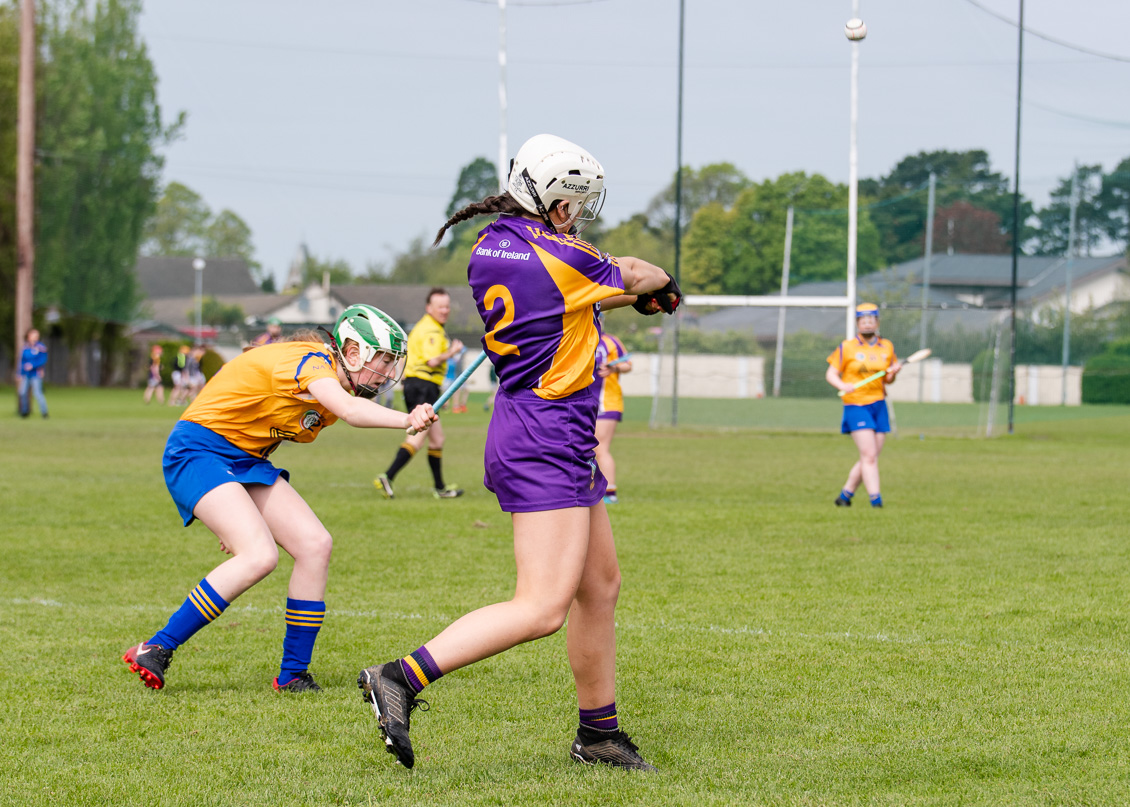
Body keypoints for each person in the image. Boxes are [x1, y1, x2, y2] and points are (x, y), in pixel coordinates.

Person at [355, 133, 680, 771]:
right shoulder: (563, 255)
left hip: (539, 426)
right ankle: (401, 676)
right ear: (556, 202)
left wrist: (623, 294)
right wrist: (663, 287)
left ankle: (599, 734)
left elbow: (575, 288)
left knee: (601, 587)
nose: (581, 216)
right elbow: (640, 273)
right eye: (577, 204)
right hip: (547, 434)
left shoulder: (494, 244)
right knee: (540, 607)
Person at [122, 305, 437, 693]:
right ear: (352, 352)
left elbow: (261, 425)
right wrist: (407, 418)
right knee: (259, 556)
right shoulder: (312, 362)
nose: (388, 372)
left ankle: (292, 675)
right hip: (198, 451)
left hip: (245, 460)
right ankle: (156, 647)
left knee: (315, 544)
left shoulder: (330, 382)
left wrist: (235, 507)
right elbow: (352, 411)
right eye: (384, 360)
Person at [373, 287, 464, 500]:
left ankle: (440, 488)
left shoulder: (429, 326)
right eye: (440, 306)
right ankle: (387, 476)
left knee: (437, 439)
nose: (445, 310)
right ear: (428, 307)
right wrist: (452, 351)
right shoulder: (431, 330)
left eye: (447, 306)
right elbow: (432, 361)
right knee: (417, 437)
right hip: (423, 386)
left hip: (421, 385)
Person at [825, 302, 903, 508]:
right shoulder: (847, 347)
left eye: (871, 319)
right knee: (869, 455)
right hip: (856, 405)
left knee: (871, 456)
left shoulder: (887, 347)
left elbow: (887, 380)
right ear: (858, 323)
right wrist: (843, 385)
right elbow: (831, 374)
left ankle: (845, 496)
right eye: (863, 320)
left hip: (878, 403)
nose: (868, 324)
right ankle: (876, 501)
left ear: (877, 322)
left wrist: (893, 374)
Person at [593, 328, 631, 505]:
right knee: (588, 449)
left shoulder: (610, 341)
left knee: (600, 448)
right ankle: (592, 487)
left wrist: (613, 367)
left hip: (606, 402)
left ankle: (610, 491)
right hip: (584, 402)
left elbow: (627, 364)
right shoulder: (577, 336)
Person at [17, 328, 49, 419]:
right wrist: (19, 373)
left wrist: (33, 365)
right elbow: (22, 361)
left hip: (36, 374)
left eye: (36, 335)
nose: (35, 337)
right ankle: (24, 412)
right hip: (26, 374)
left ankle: (44, 413)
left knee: (37, 393)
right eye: (33, 335)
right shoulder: (25, 347)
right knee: (22, 392)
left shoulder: (41, 347)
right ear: (28, 336)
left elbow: (43, 360)